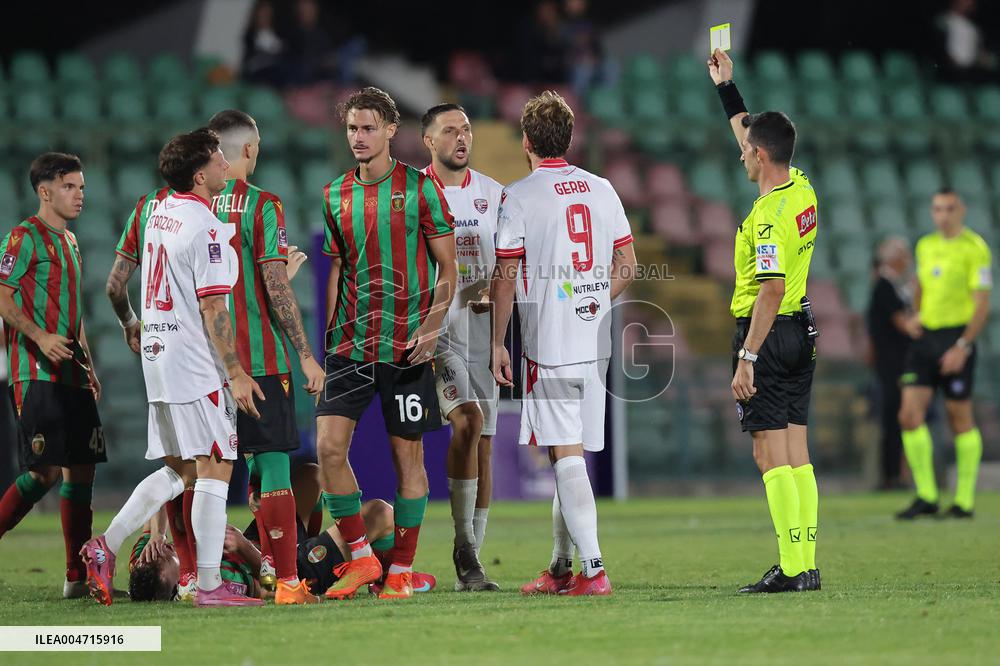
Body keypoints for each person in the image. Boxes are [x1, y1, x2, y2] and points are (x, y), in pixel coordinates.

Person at [81, 129, 264, 607]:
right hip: (195, 364)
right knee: (216, 465)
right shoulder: (208, 227)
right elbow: (214, 310)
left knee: (181, 469)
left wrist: (130, 323)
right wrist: (237, 372)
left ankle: (105, 544)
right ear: (200, 175)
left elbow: (117, 285)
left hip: (158, 358)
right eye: (219, 158)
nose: (228, 163)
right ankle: (208, 586)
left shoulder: (155, 211)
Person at [491, 90, 636, 597]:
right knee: (565, 455)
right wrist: (593, 296)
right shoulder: (602, 188)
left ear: (526, 140)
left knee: (566, 454)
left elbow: (505, 276)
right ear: (569, 139)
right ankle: (559, 568)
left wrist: (496, 342)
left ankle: (593, 571)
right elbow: (627, 266)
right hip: (595, 344)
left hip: (550, 345)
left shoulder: (520, 196)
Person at [317, 87, 457, 600]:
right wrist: (327, 340)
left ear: (391, 130)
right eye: (353, 128)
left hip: (406, 348)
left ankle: (400, 570)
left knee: (409, 464)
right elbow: (336, 269)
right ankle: (359, 560)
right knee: (329, 449)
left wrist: (433, 326)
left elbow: (450, 266)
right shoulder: (334, 193)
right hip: (350, 346)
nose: (359, 137)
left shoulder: (420, 188)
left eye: (369, 128)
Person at [707, 49, 820, 593]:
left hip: (768, 336)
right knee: (797, 452)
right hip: (803, 332)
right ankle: (806, 562)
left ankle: (791, 567)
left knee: (767, 452)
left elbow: (770, 288)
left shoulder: (770, 218)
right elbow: (749, 137)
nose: (741, 155)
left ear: (759, 154)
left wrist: (747, 357)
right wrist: (728, 89)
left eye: (746, 151)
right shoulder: (799, 186)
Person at [206, 109, 325, 605]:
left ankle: (198, 576)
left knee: (203, 470)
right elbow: (274, 290)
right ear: (248, 150)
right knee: (275, 461)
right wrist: (305, 356)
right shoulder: (262, 205)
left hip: (203, 362)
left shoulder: (180, 206)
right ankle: (288, 582)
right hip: (260, 358)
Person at [0, 153, 106, 599]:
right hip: (35, 370)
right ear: (45, 191)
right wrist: (39, 337)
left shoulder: (72, 242)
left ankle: (75, 579)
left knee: (80, 472)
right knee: (43, 473)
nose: (79, 194)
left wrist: (89, 364)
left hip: (72, 371)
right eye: (69, 187)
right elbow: (3, 299)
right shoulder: (23, 238)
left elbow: (74, 312)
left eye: (81, 186)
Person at [128, 464, 436, 601]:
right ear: (170, 589)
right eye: (165, 559)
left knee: (312, 476)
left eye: (157, 553)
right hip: (275, 570)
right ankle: (381, 572)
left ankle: (325, 556)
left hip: (268, 541)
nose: (162, 552)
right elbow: (267, 591)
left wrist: (156, 533)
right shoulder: (208, 587)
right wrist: (244, 549)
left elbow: (164, 484)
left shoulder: (146, 558)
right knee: (381, 514)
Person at [420, 103, 503, 592]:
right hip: (436, 334)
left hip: (481, 335)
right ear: (428, 140)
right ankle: (463, 547)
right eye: (450, 130)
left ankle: (474, 564)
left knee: (485, 445)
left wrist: (496, 293)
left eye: (466, 129)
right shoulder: (414, 193)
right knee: (467, 421)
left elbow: (511, 266)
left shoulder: (494, 195)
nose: (461, 137)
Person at [896, 189, 992, 520]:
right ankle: (927, 495)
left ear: (961, 210)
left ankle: (963, 500)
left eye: (949, 208)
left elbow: (982, 303)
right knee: (909, 415)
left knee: (959, 418)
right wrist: (915, 315)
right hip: (927, 339)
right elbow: (921, 284)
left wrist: (963, 347)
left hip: (956, 338)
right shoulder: (926, 245)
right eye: (937, 208)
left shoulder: (975, 248)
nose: (943, 215)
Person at [867, 237, 921, 490]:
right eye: (904, 254)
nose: (908, 260)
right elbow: (903, 324)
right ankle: (892, 476)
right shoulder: (886, 287)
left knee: (897, 417)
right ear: (895, 259)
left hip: (893, 363)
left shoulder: (890, 287)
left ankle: (896, 473)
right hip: (894, 364)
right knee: (894, 417)